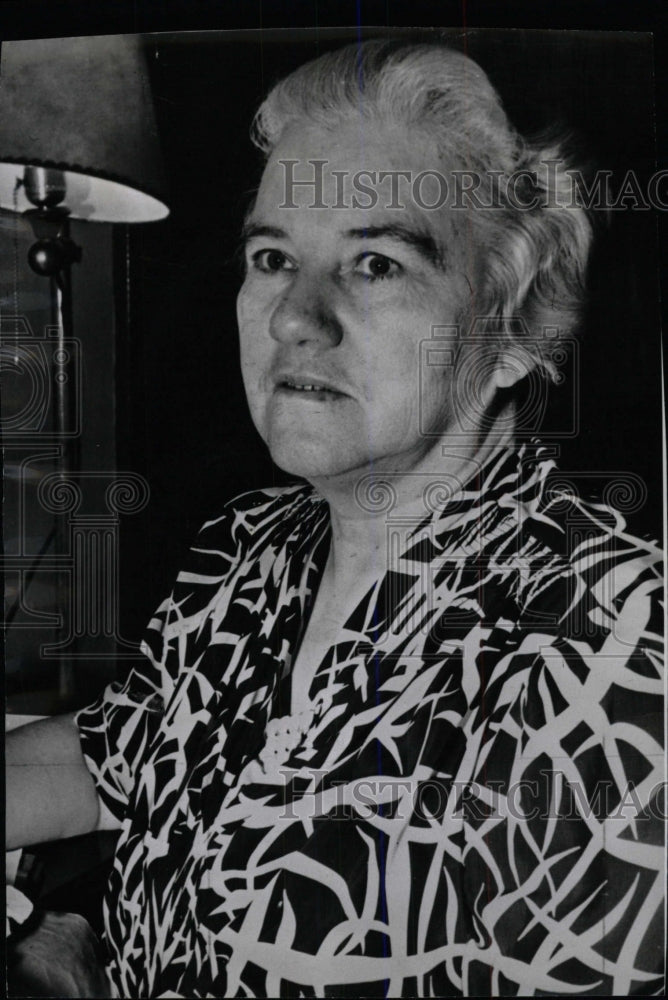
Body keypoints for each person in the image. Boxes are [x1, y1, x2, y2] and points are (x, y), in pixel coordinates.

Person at [6, 38, 664, 998]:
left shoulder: (612, 651)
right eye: (273, 257)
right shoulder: (249, 548)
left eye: (377, 264)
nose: (294, 318)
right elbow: (117, 756)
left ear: (511, 335)